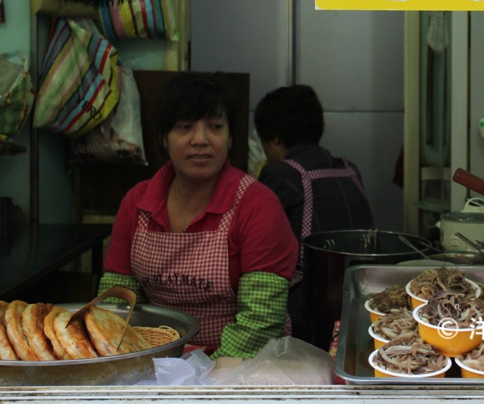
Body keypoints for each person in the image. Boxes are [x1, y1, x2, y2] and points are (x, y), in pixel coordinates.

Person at [97, 73, 298, 359]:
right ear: (163, 139)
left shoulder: (257, 206)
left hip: (240, 366)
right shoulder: (136, 204)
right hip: (154, 360)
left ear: (230, 139)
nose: (200, 140)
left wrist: (200, 376)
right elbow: (116, 304)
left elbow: (260, 321)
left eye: (215, 127)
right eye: (185, 127)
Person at [253, 84, 374, 344]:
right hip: (359, 300)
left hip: (307, 313)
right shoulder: (348, 168)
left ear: (273, 138)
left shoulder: (281, 174)